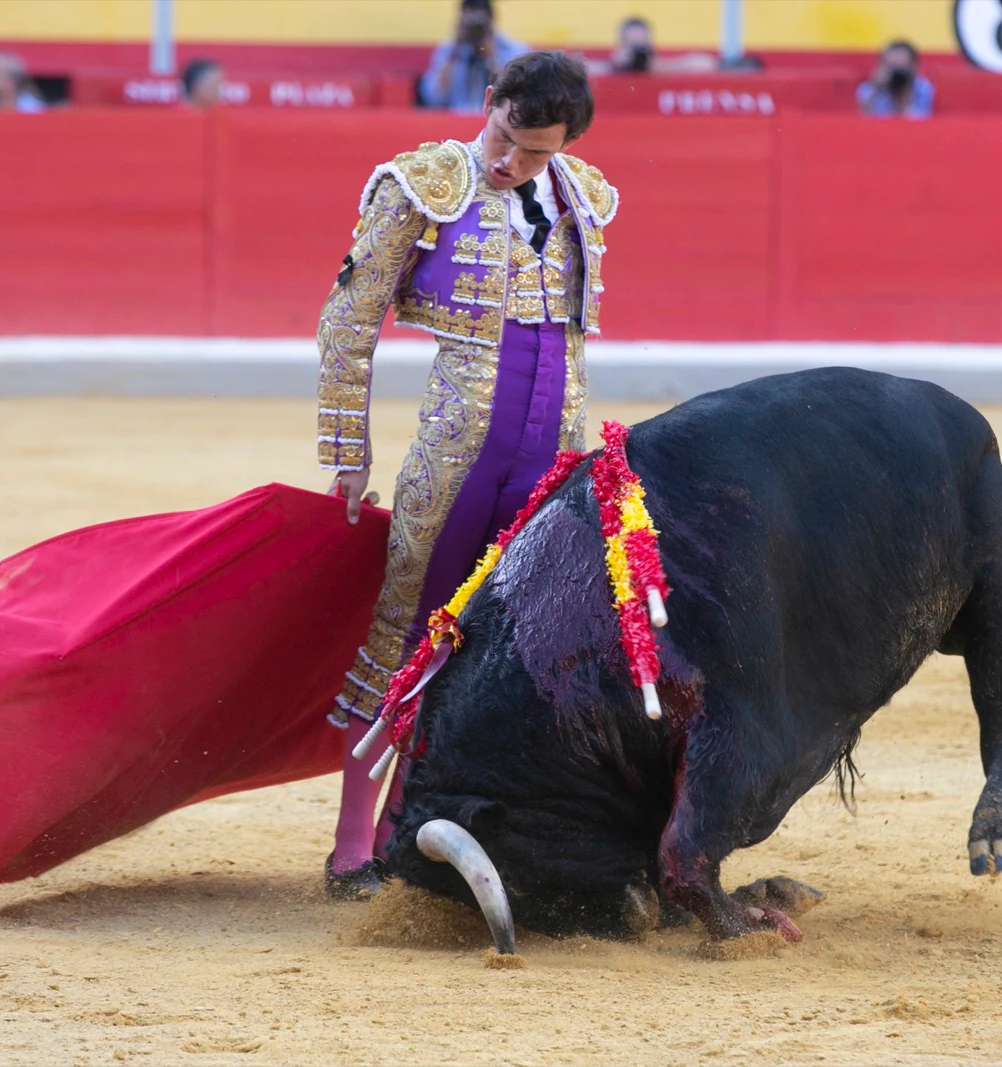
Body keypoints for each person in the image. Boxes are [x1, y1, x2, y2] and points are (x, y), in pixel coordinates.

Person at [316, 51, 617, 897]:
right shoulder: (423, 183)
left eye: (533, 153)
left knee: (502, 653)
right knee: (406, 637)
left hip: (549, 463)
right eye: (506, 137)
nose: (509, 162)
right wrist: (347, 450)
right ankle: (350, 847)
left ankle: (409, 830)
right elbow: (348, 319)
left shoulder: (584, 197)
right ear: (489, 103)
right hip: (455, 459)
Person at [418, 0, 529, 112]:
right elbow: (433, 98)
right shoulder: (449, 50)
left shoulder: (512, 50)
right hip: (455, 120)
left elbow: (515, 99)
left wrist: (492, 58)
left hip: (496, 120)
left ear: (492, 19)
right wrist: (454, 50)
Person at [587, 16, 717, 75]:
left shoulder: (660, 65)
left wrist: (660, 66)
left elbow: (707, 63)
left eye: (641, 46)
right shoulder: (610, 66)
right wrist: (613, 66)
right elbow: (578, 69)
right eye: (632, 46)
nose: (636, 53)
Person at [857, 40, 934, 119]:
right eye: (891, 66)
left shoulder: (923, 88)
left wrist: (904, 96)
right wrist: (876, 90)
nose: (896, 73)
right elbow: (861, 120)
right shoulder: (868, 89)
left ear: (914, 67)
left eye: (901, 67)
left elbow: (923, 122)